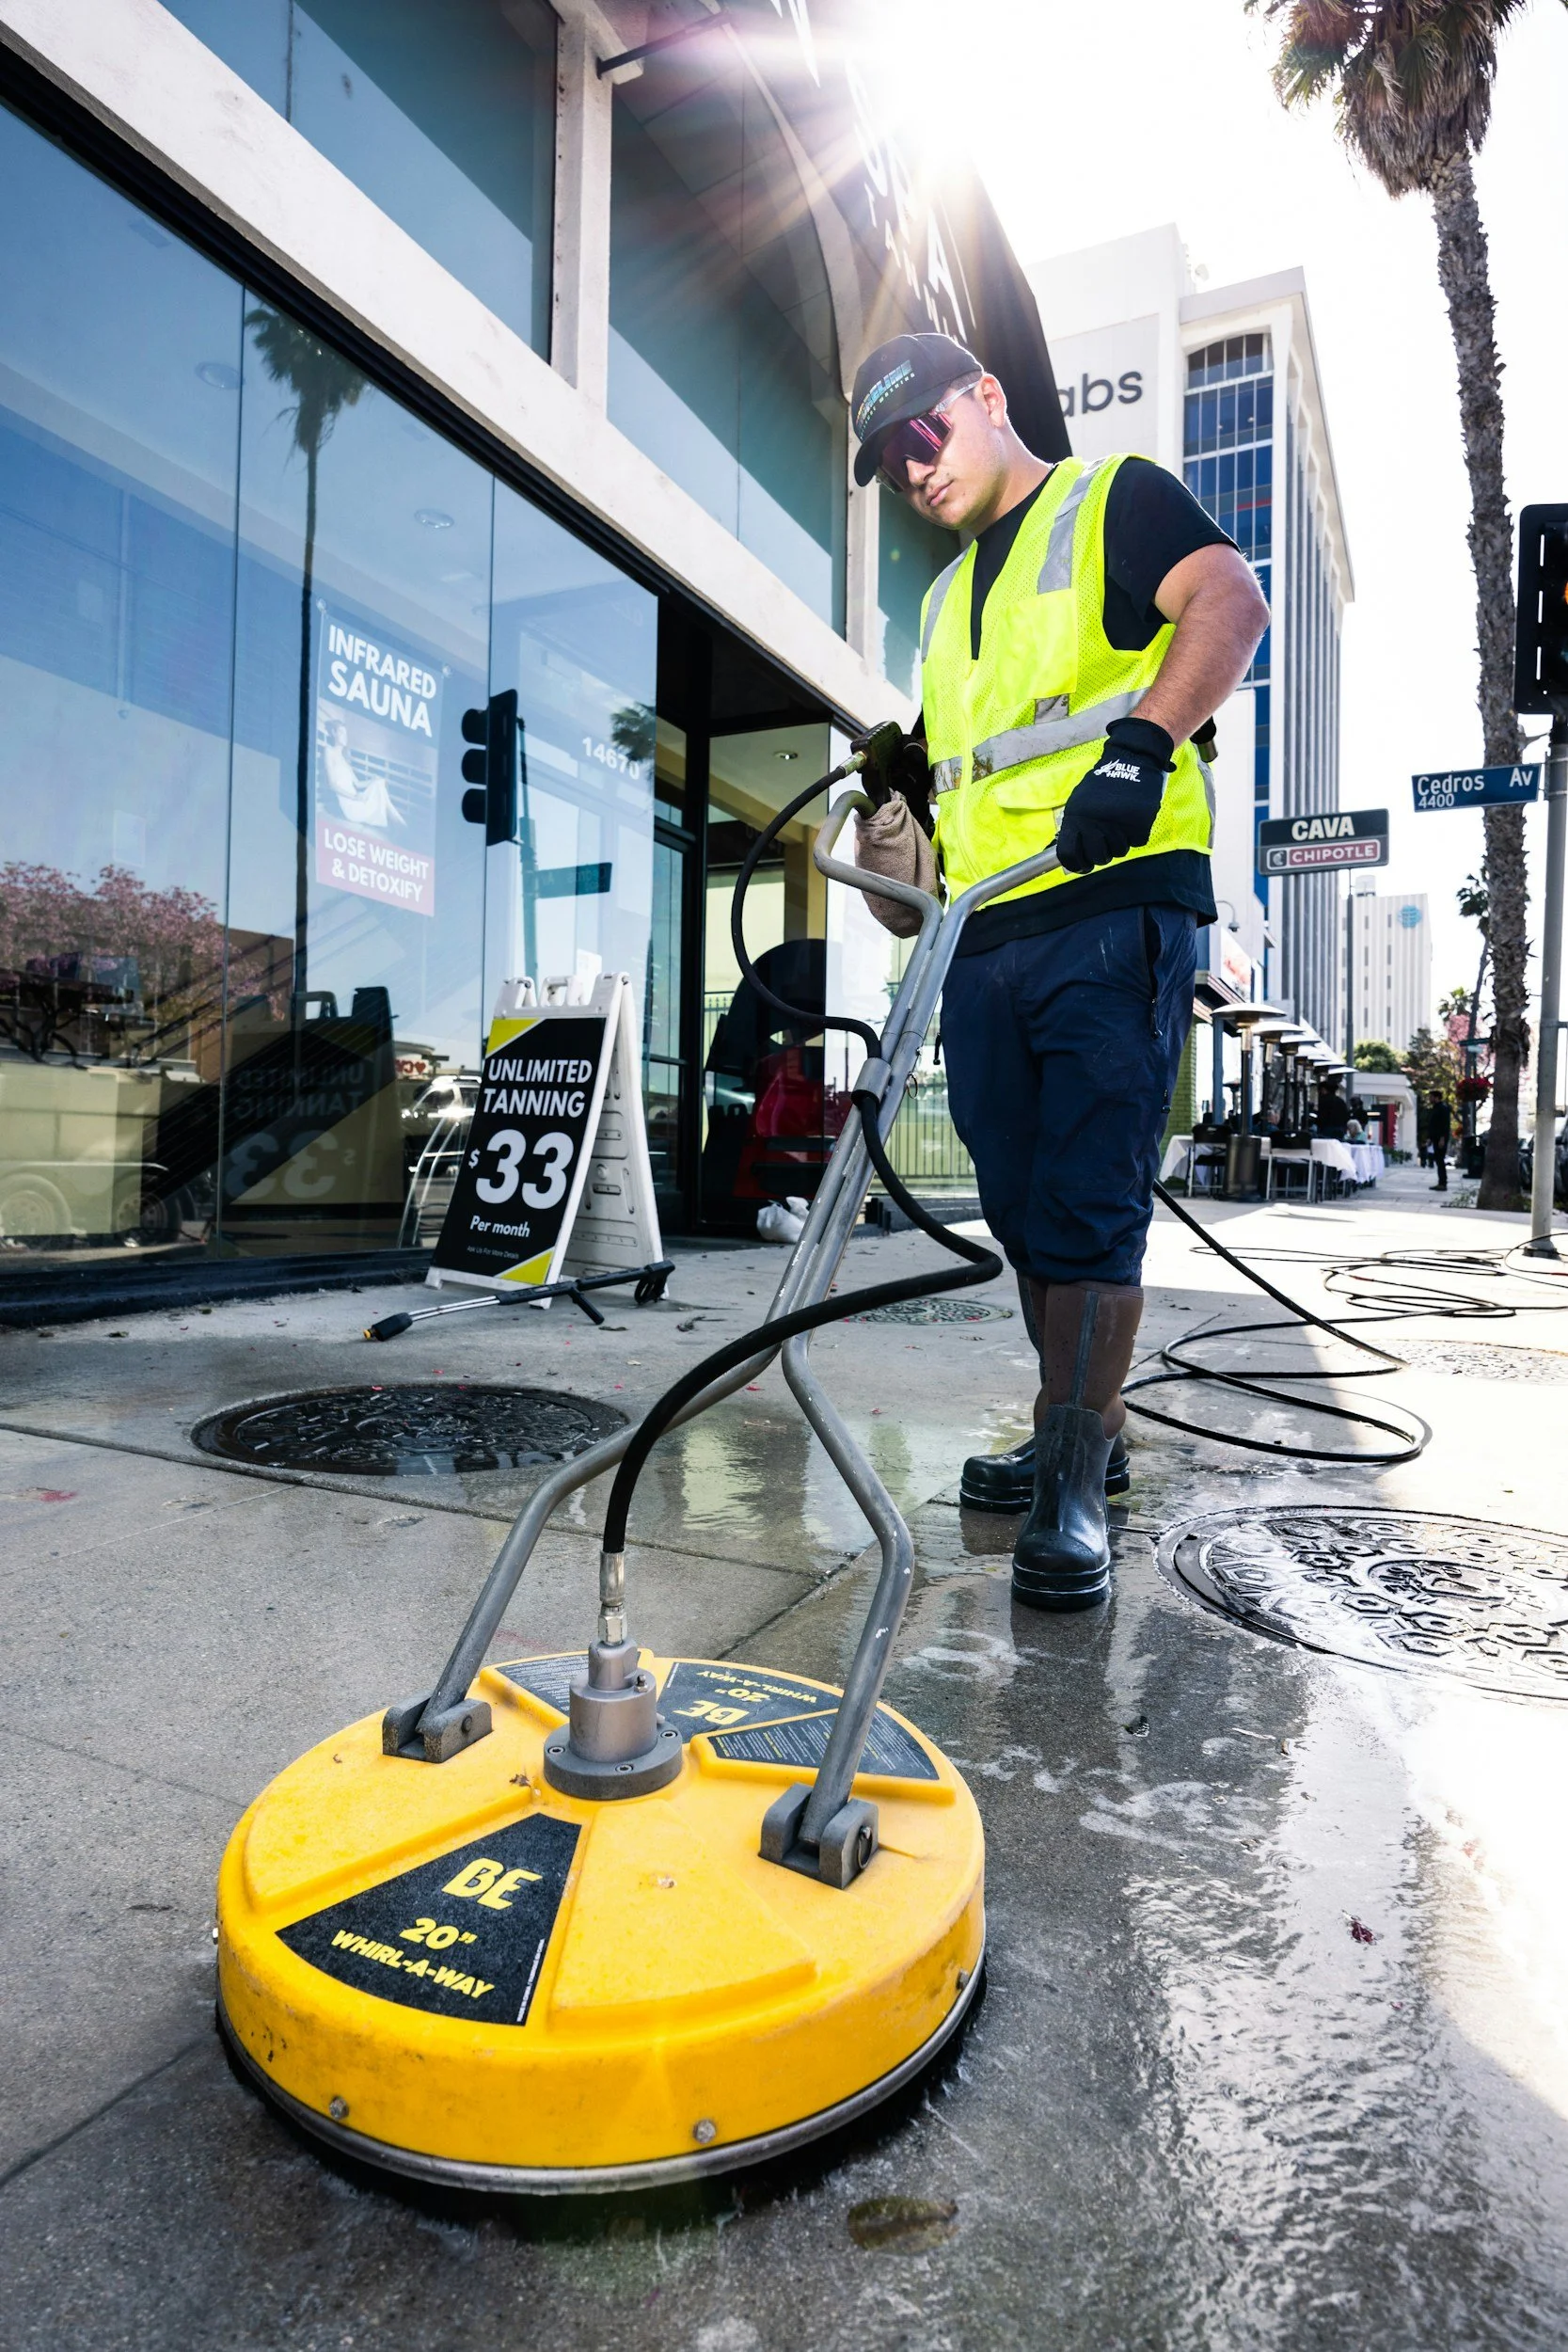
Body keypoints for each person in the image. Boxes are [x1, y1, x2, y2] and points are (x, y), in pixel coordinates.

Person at [848, 333, 1268, 1610]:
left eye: (923, 434)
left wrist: (1142, 745)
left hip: (1113, 901)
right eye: (886, 462)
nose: (912, 472)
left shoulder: (1108, 498)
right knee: (1022, 1200)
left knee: (1087, 1195)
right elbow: (986, 753)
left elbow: (1227, 601)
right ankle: (1066, 1424)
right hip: (987, 931)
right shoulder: (938, 601)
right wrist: (907, 780)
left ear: (985, 400)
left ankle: (1078, 1481)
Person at [1428, 1090, 1452, 1192]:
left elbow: (1445, 1125)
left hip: (1440, 1139)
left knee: (1440, 1160)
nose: (1429, 1099)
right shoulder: (1435, 1108)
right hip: (1435, 1138)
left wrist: (1442, 1138)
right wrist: (1430, 1138)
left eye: (1431, 1097)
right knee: (1438, 1160)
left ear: (1436, 1097)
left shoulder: (1443, 1108)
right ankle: (1441, 1182)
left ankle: (1443, 1183)